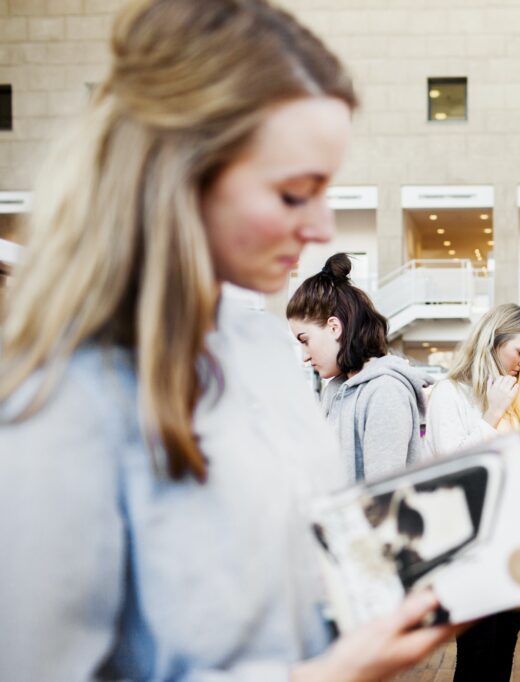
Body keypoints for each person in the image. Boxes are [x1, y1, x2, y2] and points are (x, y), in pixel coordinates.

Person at [0, 1, 457, 680]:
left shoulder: (262, 351)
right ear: (183, 175)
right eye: (294, 194)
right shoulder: (61, 394)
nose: (321, 228)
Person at [424, 302, 520, 682]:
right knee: (476, 657)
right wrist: (491, 415)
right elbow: (452, 470)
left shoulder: (512, 401)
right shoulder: (448, 394)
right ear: (492, 341)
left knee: (503, 652)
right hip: (471, 549)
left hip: (513, 545)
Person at [287, 252, 432, 486]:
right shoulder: (336, 390)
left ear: (334, 327)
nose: (304, 356)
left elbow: (383, 497)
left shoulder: (385, 391)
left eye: (305, 340)